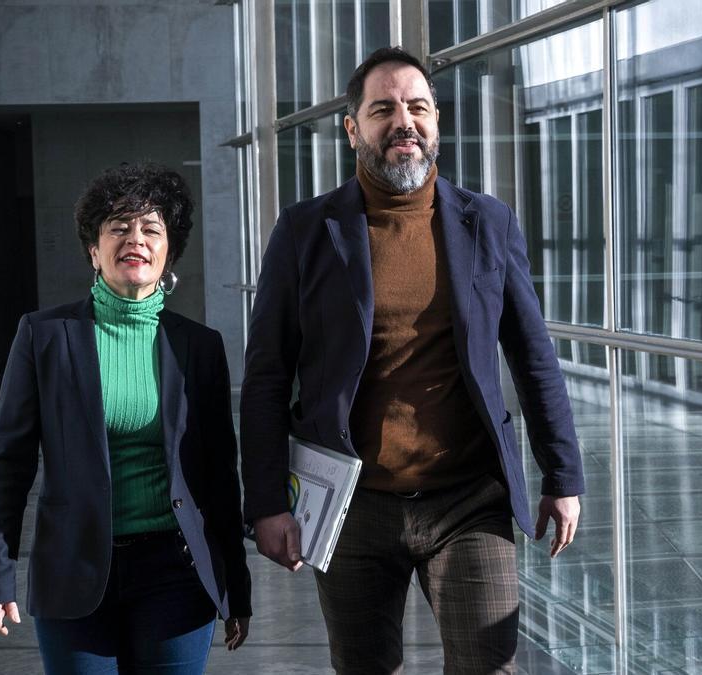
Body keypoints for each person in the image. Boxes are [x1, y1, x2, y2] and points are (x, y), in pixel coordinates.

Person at [240, 47, 584, 674]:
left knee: (490, 665)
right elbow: (265, 377)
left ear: (435, 123)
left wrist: (563, 477)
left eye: (418, 106)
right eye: (383, 109)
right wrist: (266, 501)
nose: (404, 120)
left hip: (467, 499)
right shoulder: (304, 232)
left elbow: (534, 357)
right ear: (352, 129)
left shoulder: (488, 223)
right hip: (352, 506)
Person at [0, 162, 252, 674]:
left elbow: (218, 476)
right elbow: (7, 464)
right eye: (118, 227)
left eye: (151, 228)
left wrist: (237, 586)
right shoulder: (44, 336)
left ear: (168, 251)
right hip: (73, 571)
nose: (135, 239)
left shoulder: (200, 347)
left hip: (176, 574)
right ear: (93, 250)